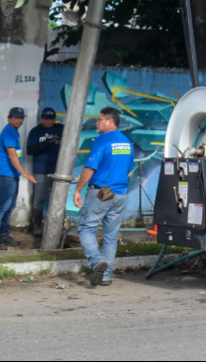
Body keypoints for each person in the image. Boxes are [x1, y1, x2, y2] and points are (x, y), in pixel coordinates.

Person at [72, 106, 133, 287]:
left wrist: (78, 189)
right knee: (111, 235)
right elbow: (128, 168)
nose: (97, 123)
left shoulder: (102, 140)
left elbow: (90, 167)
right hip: (120, 194)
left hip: (101, 192)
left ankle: (97, 261)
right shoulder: (127, 142)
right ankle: (106, 275)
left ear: (109, 121)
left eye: (99, 119)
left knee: (85, 228)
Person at [0, 106, 36, 250]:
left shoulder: (14, 132)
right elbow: (12, 155)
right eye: (16, 117)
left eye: (21, 117)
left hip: (12, 176)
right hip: (6, 176)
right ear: (9, 118)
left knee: (9, 207)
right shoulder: (9, 133)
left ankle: (4, 234)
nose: (19, 120)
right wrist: (25, 173)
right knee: (2, 208)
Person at [26, 107, 64, 236]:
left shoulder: (59, 129)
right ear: (42, 118)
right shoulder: (35, 132)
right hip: (41, 170)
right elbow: (29, 151)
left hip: (58, 170)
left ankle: (57, 225)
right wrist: (43, 145)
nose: (49, 121)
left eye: (52, 119)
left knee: (59, 198)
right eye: (47, 119)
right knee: (39, 198)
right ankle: (37, 226)